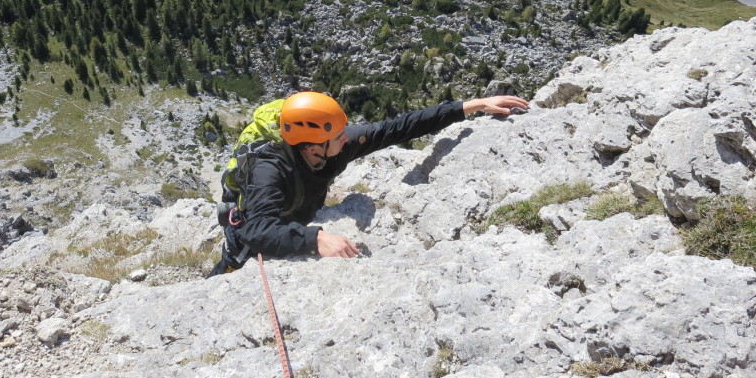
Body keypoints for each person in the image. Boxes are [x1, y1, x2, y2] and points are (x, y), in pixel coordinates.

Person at [208, 90, 529, 276]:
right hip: (258, 232)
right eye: (337, 135)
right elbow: (257, 229)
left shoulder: (332, 147)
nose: (345, 138)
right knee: (228, 272)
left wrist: (467, 107)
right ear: (311, 145)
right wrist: (313, 239)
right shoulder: (270, 168)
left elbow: (397, 127)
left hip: (301, 213)